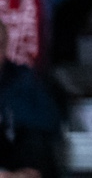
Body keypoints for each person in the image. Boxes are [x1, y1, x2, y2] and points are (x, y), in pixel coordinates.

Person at [0, 20, 60, 178]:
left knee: (33, 138)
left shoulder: (23, 78)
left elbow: (49, 123)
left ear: (5, 47)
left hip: (21, 162)